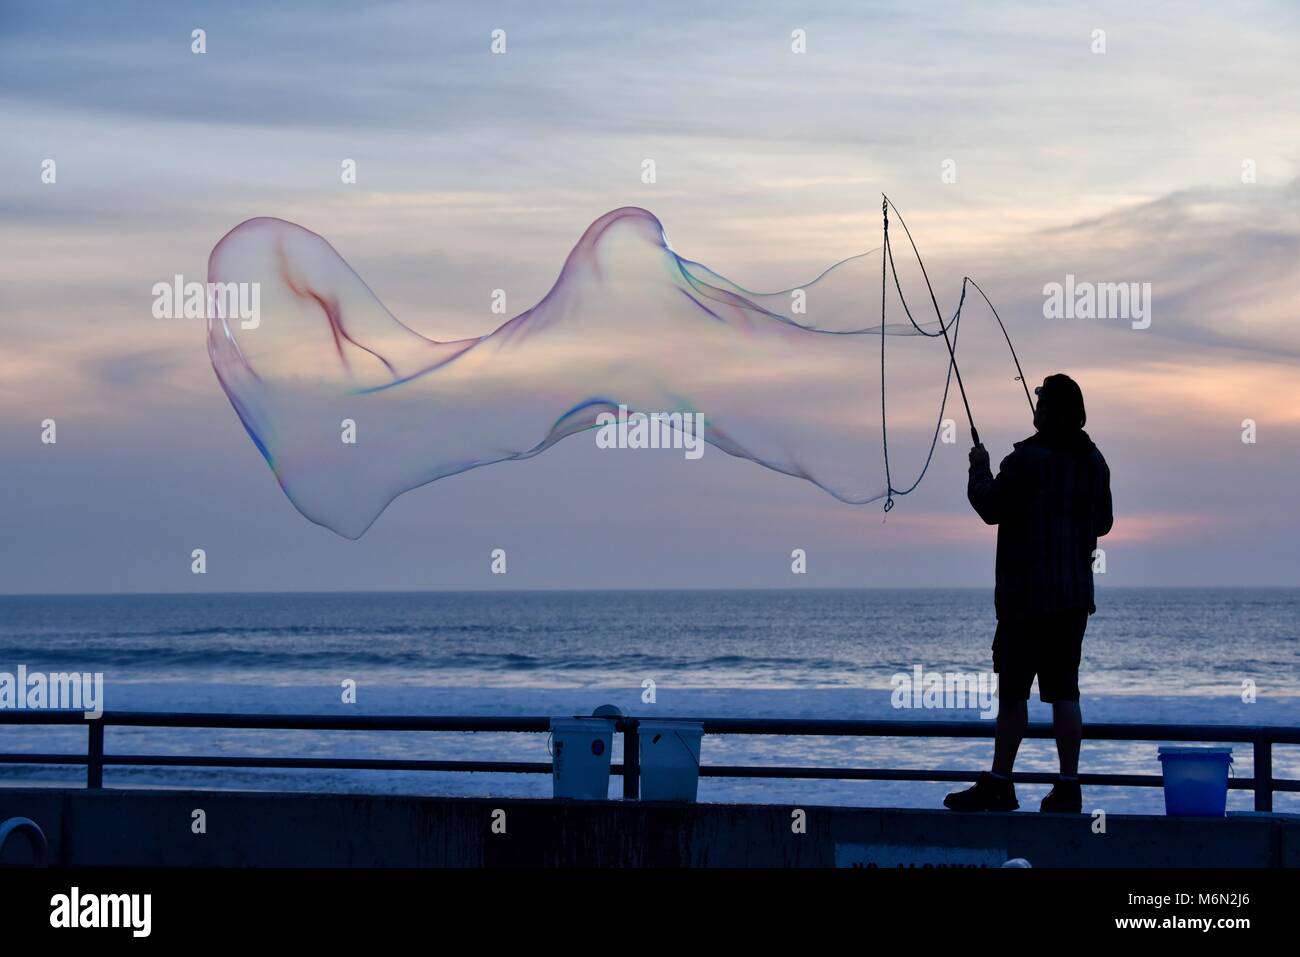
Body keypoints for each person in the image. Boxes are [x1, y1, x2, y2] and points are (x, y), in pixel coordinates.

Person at [944, 373, 1112, 813]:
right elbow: (1104, 523)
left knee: (1013, 694)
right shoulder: (1095, 462)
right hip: (1073, 600)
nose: (1034, 408)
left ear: (1047, 411)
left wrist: (977, 465)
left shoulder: (1026, 461)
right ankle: (1068, 786)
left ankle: (1000, 783)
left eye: (1040, 402)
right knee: (1066, 693)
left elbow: (990, 506)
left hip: (1025, 601)